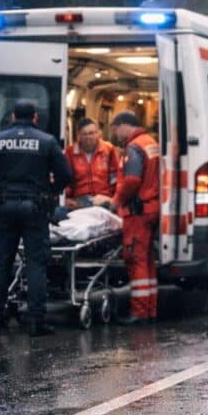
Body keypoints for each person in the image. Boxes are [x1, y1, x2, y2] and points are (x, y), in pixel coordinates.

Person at [0, 99, 72, 337]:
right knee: (36, 264)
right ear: (34, 118)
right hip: (35, 208)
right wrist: (51, 193)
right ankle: (36, 321)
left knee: (1, 264)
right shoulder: (46, 141)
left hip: (5, 207)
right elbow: (65, 174)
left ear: (12, 116)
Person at [111, 111, 160, 325]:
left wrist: (116, 201)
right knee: (148, 261)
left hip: (138, 212)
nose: (114, 133)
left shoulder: (133, 148)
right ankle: (150, 309)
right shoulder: (151, 143)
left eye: (115, 128)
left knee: (136, 259)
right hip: (152, 208)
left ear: (124, 126)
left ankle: (139, 312)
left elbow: (131, 180)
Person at [65, 117, 119, 209]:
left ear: (98, 133)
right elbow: (66, 179)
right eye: (84, 134)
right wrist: (66, 199)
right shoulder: (70, 152)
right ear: (79, 135)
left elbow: (116, 178)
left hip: (104, 199)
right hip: (79, 202)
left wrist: (113, 199)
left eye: (92, 133)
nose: (89, 137)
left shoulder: (109, 150)